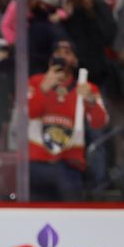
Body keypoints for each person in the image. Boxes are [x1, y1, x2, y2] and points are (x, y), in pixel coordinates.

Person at [28, 39, 108, 201]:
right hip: (36, 163)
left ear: (75, 61)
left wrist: (91, 102)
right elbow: (25, 116)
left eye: (67, 52)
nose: (62, 56)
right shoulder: (35, 82)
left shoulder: (87, 88)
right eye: (58, 52)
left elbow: (100, 123)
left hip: (69, 164)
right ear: (51, 58)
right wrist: (43, 89)